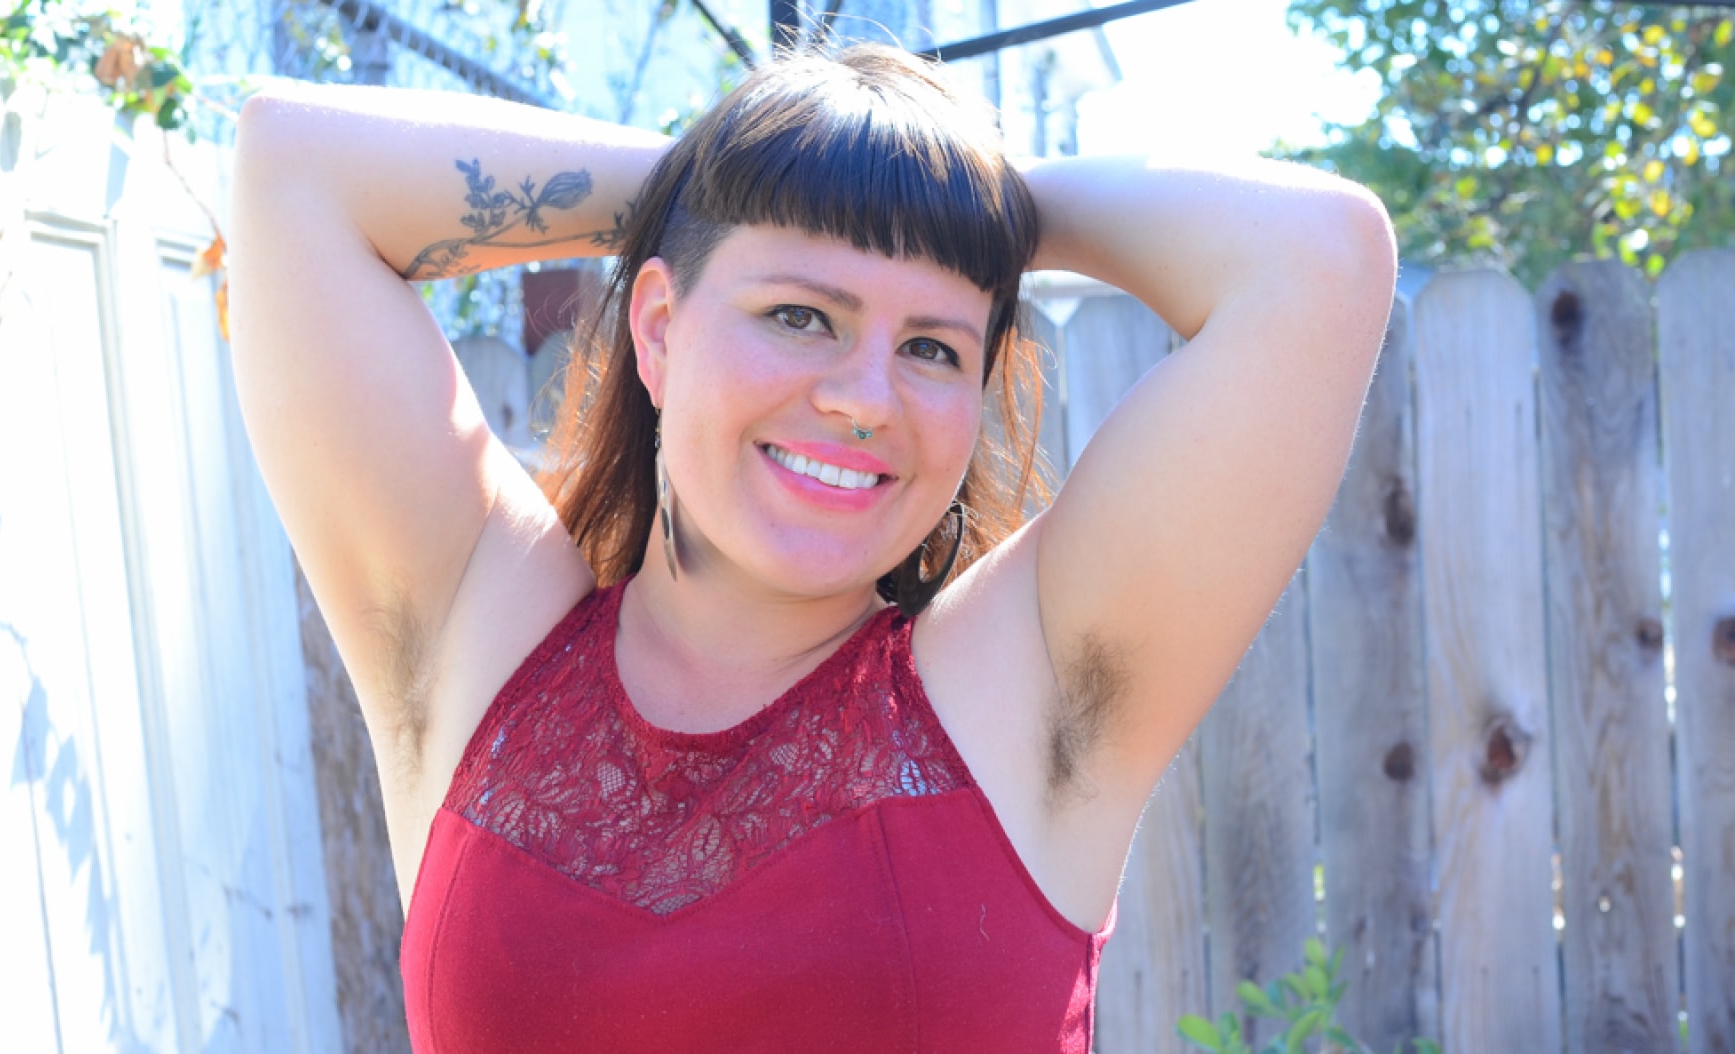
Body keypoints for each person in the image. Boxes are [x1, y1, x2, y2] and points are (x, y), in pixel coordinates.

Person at [229, 42, 1395, 1054]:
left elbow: (1319, 256)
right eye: (800, 313)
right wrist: (740, 175)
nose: (863, 397)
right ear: (660, 327)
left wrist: (941, 192)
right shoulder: (475, 627)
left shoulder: (1023, 689)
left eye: (934, 348)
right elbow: (296, 166)